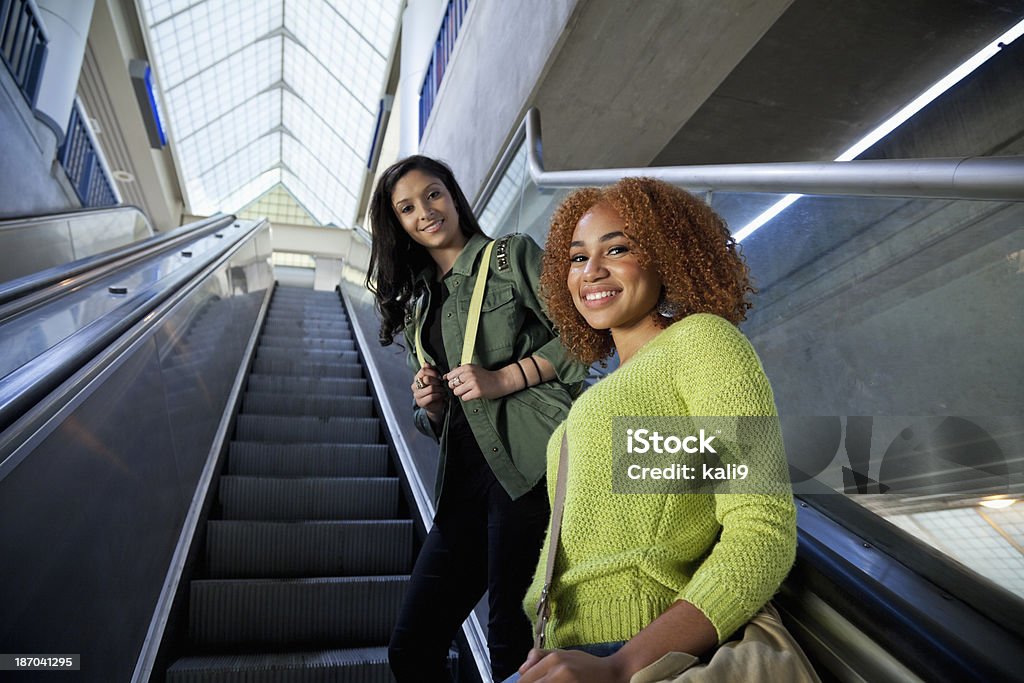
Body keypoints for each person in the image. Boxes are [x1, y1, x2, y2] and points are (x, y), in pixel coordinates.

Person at [508, 178, 800, 682]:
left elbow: (762, 530)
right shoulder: (599, 394)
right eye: (577, 258)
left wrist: (623, 663)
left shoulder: (702, 342)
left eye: (616, 248)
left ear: (668, 255)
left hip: (635, 652)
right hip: (560, 650)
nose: (591, 271)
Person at [366, 155, 588, 682]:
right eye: (407, 207)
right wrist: (434, 406)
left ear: (454, 197)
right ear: (397, 224)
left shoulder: (511, 257)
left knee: (513, 647)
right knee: (411, 648)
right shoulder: (419, 307)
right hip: (463, 481)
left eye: (433, 194)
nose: (425, 211)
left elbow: (582, 337)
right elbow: (439, 426)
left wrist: (504, 378)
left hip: (528, 470)